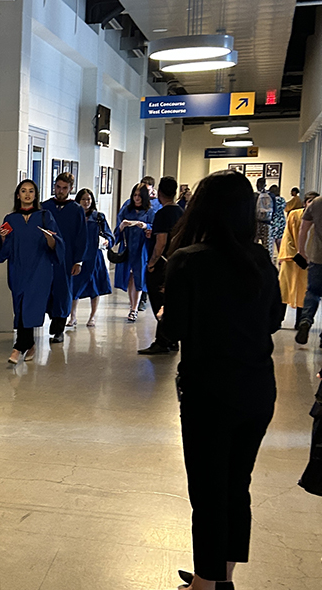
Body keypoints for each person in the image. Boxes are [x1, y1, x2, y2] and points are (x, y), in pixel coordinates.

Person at [161, 170, 281, 590]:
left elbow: (172, 329)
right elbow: (273, 319)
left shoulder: (188, 259)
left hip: (208, 391)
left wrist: (166, 315)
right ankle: (220, 576)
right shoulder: (260, 259)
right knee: (236, 485)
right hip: (257, 389)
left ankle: (204, 585)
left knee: (208, 492)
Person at [0, 179, 62, 364]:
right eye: (23, 191)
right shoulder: (10, 219)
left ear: (36, 195)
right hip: (18, 270)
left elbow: (57, 245)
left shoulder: (45, 216)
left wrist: (50, 239)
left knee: (31, 306)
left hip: (40, 270)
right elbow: (0, 252)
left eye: (31, 191)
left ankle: (18, 347)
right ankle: (29, 343)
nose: (27, 194)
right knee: (21, 308)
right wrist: (3, 239)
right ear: (18, 195)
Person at [138, 176, 184, 354]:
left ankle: (163, 340)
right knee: (169, 300)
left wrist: (151, 263)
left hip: (162, 264)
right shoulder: (180, 212)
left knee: (159, 302)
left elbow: (161, 243)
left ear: (160, 193)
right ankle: (171, 339)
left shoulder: (162, 214)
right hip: (176, 262)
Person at [41, 172, 88, 343]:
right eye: (58, 187)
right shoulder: (45, 207)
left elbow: (81, 237)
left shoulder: (76, 210)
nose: (60, 191)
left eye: (64, 188)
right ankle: (51, 318)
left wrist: (78, 260)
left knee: (63, 292)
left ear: (71, 189)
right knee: (46, 291)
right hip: (46, 257)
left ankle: (59, 328)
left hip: (66, 259)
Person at [70, 188, 113, 327]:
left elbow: (109, 235)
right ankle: (73, 316)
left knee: (95, 287)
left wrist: (107, 241)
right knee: (74, 287)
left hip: (95, 257)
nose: (86, 202)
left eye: (88, 199)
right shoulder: (74, 217)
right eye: (83, 199)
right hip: (78, 257)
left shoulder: (98, 217)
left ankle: (92, 316)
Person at [113, 183, 154, 322]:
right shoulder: (126, 210)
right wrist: (122, 226)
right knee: (129, 277)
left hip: (141, 248)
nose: (137, 198)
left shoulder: (149, 211)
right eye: (135, 195)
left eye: (139, 196)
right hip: (128, 246)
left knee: (139, 277)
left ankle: (134, 308)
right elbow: (117, 231)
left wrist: (146, 226)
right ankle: (132, 305)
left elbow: (154, 228)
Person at [279, 192, 318, 330]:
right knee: (284, 289)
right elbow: (287, 236)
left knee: (304, 292)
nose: (311, 204)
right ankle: (278, 320)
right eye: (309, 201)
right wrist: (294, 255)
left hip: (309, 262)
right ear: (304, 203)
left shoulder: (318, 219)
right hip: (291, 259)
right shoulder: (294, 215)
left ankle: (300, 322)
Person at [295, 194, 322, 346]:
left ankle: (305, 320)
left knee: (313, 292)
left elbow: (303, 229)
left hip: (317, 256)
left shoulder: (316, 203)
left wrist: (301, 251)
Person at [254, 177, 274, 256]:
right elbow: (274, 209)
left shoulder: (254, 195)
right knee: (267, 245)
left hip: (256, 223)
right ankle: (268, 262)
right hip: (267, 223)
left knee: (253, 243)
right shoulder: (271, 195)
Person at [269, 185, 286, 254]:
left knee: (271, 241)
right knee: (279, 241)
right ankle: (280, 256)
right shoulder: (282, 199)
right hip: (281, 220)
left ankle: (271, 257)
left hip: (273, 220)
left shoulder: (271, 199)